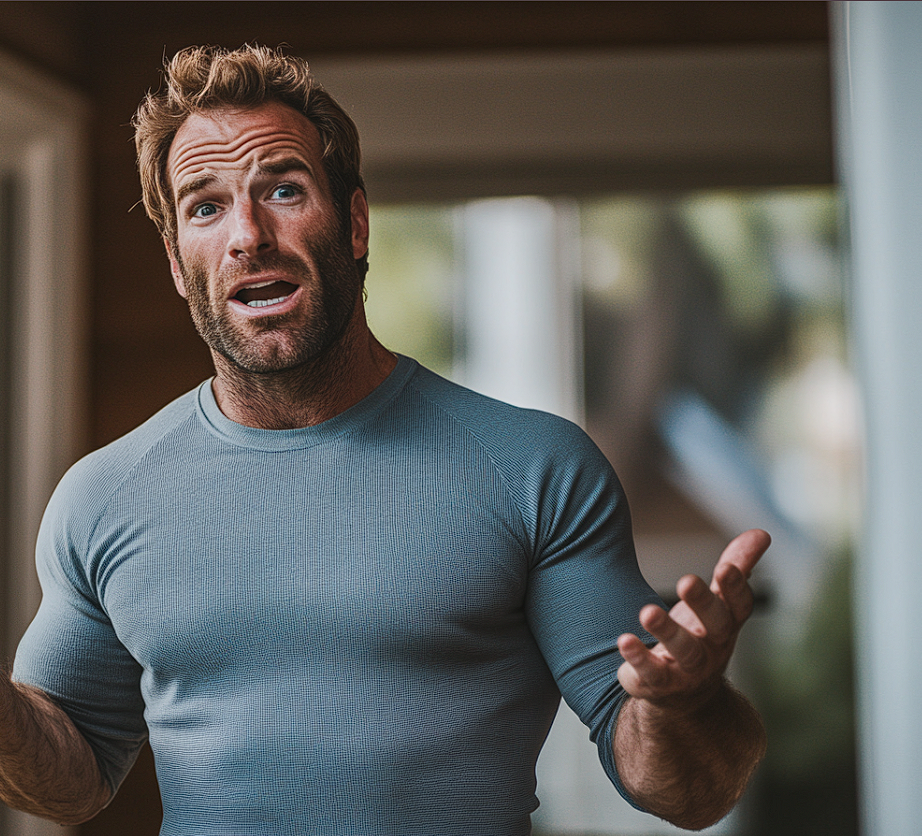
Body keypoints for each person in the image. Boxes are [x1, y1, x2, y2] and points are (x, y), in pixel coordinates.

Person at [2, 45, 768, 834]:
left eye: (284, 190)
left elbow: (680, 790)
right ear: (175, 263)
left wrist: (686, 701)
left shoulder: (532, 470)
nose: (248, 235)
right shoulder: (104, 496)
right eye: (205, 205)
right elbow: (72, 778)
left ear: (356, 222)